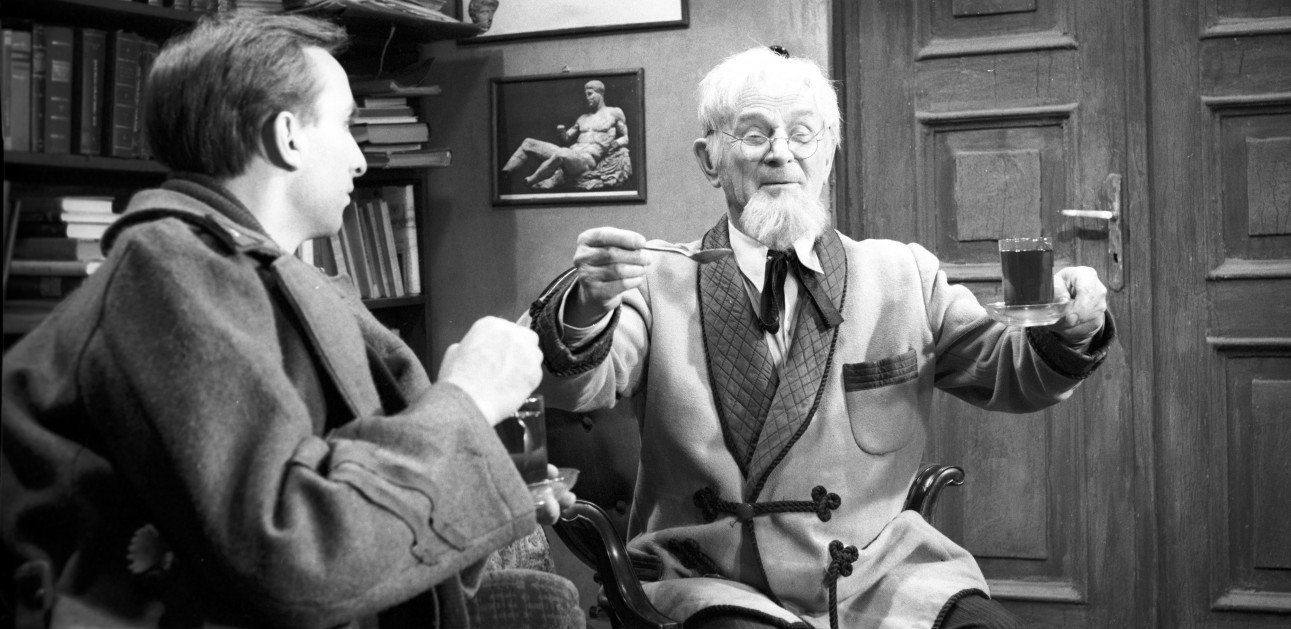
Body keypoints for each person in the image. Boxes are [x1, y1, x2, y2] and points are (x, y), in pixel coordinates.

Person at [1, 13, 576, 628]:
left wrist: (479, 472)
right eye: (346, 124)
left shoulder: (267, 278)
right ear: (287, 136)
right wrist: (469, 398)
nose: (360, 161)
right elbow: (291, 555)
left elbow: (355, 528)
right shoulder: (168, 269)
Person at [522, 46, 1115, 629]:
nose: (782, 152)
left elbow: (1013, 372)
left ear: (828, 154)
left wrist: (1075, 327)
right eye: (754, 135)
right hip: (710, 581)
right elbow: (574, 384)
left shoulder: (902, 275)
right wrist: (588, 302)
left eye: (803, 134)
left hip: (880, 577)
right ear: (710, 160)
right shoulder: (657, 282)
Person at [501, 80, 630, 189]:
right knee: (528, 143)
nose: (587, 97)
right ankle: (504, 174)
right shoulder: (582, 118)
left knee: (561, 153)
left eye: (590, 94)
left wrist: (617, 142)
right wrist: (561, 132)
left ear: (600, 93)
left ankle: (531, 180)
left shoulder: (614, 112)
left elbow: (625, 137)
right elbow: (566, 139)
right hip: (571, 155)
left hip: (586, 161)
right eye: (586, 94)